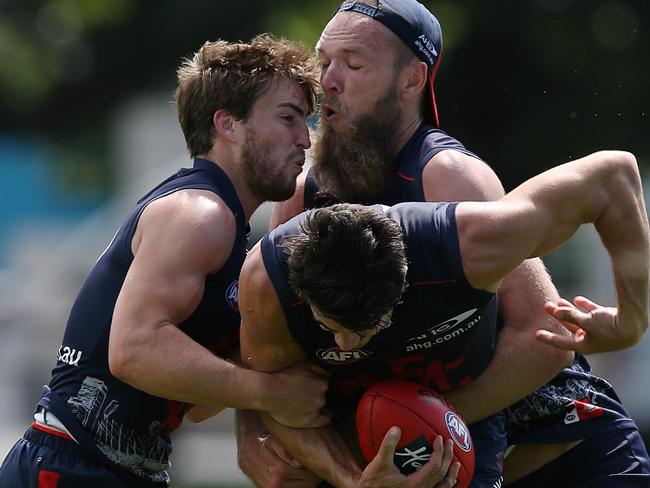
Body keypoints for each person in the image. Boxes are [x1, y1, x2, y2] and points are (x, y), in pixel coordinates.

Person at [237, 1, 650, 487]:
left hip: (563, 453)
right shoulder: (304, 196)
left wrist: (424, 422)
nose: (327, 80)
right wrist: (253, 434)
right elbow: (265, 342)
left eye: (353, 64)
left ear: (411, 80)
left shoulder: (448, 177)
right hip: (433, 456)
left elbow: (546, 336)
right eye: (324, 61)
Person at [0, 35, 331, 488]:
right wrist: (272, 393)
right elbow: (134, 350)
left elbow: (195, 405)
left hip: (108, 468)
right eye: (288, 118)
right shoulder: (200, 214)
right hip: (75, 468)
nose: (304, 139)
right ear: (228, 124)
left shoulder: (226, 227)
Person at [239, 152, 650, 488]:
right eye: (330, 328)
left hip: (505, 401)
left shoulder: (466, 248)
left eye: (366, 329)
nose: (344, 346)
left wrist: (631, 321)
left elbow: (613, 175)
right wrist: (357, 482)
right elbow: (274, 398)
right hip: (377, 430)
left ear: (404, 288)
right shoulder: (267, 282)